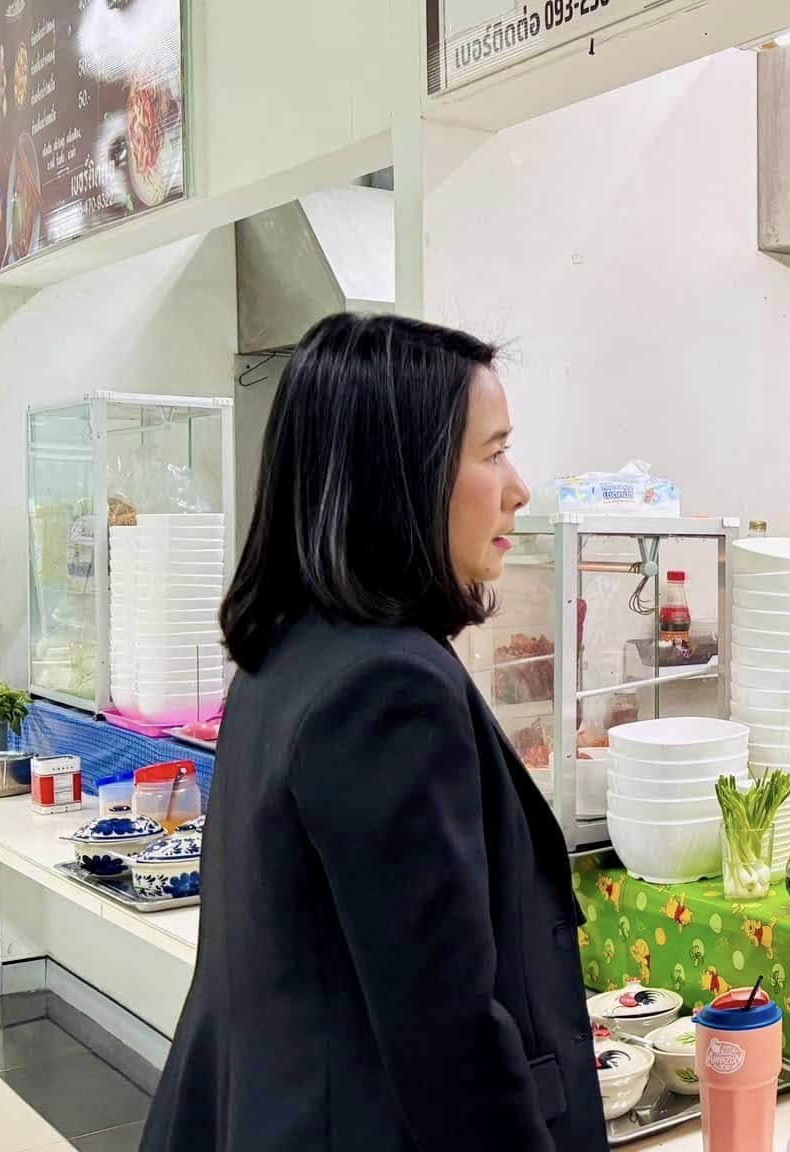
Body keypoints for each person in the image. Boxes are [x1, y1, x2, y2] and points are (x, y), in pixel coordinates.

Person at [142, 314, 605, 1151]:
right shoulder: (389, 689)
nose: (519, 488)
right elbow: (448, 1036)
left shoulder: (289, 650)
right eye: (494, 452)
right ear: (406, 476)